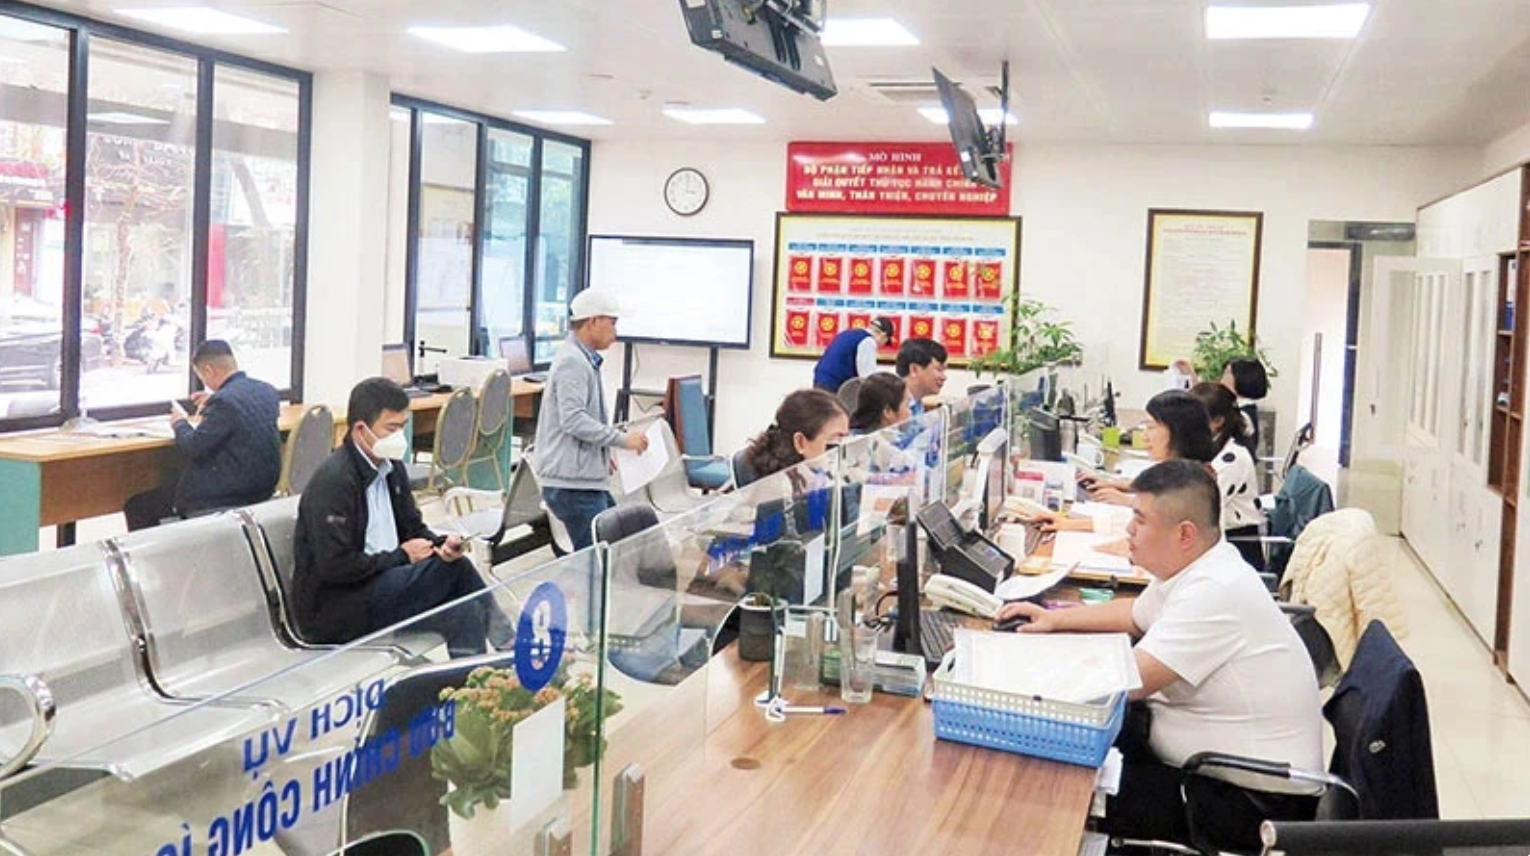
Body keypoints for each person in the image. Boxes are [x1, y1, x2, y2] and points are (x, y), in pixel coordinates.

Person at [997, 460, 1322, 850]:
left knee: (1052, 788)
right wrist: (1053, 620)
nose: (1129, 530)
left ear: (1184, 534)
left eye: (1139, 520)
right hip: (1210, 774)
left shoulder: (1215, 590)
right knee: (1061, 758)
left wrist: (1011, 674)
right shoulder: (1198, 567)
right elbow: (1135, 615)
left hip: (1247, 803)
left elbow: (1125, 681)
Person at [292, 377, 506, 658]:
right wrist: (402, 556)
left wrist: (440, 544)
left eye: (402, 427)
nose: (399, 438)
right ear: (361, 430)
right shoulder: (334, 482)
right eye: (391, 429)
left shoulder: (392, 469)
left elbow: (412, 528)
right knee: (456, 570)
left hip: (384, 587)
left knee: (466, 610)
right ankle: (511, 646)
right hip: (339, 607)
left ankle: (474, 681)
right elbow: (335, 567)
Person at [534, 289, 649, 551]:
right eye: (612, 322)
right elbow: (574, 420)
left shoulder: (583, 359)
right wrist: (623, 440)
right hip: (572, 486)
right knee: (597, 559)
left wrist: (600, 452)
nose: (616, 331)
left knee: (614, 548)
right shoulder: (573, 362)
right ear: (593, 321)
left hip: (581, 481)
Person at [123, 339, 280, 530]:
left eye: (201, 377)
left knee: (138, 506)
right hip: (261, 489)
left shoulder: (223, 402)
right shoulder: (266, 390)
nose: (204, 383)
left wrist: (179, 422)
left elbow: (193, 446)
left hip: (224, 494)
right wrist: (214, 400)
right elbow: (241, 413)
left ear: (208, 370)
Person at [1189, 382, 1263, 568]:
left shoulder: (1233, 458)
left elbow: (1202, 504)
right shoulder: (1213, 446)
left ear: (1217, 422)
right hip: (1214, 540)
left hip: (1236, 549)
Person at [735, 389, 849, 488]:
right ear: (800, 442)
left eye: (845, 438)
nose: (841, 450)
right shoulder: (773, 491)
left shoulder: (809, 474)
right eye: (834, 441)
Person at [812, 317, 894, 393]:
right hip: (834, 385)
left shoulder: (847, 333)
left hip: (820, 379)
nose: (880, 347)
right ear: (883, 335)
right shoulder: (868, 341)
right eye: (885, 343)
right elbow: (867, 378)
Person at [1222, 358, 1270, 454]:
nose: (1222, 378)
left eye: (1227, 373)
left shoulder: (1242, 415)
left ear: (1242, 378)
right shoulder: (1244, 408)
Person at [894, 337, 948, 416]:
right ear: (914, 369)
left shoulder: (917, 404)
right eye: (939, 369)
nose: (944, 377)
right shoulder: (893, 408)